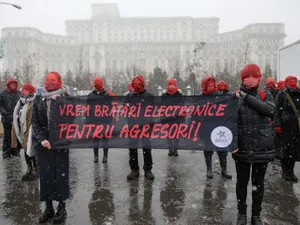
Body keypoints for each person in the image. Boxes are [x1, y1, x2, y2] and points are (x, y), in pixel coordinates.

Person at [233, 64, 276, 225]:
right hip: (242, 147)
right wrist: (233, 144)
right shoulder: (234, 97)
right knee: (242, 184)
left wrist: (247, 97)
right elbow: (230, 122)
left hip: (261, 147)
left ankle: (256, 215)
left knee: (258, 184)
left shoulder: (266, 95)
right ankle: (241, 214)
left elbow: (270, 111)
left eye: (253, 76)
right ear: (242, 79)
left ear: (259, 78)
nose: (249, 80)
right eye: (246, 77)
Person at [32, 72, 70, 224]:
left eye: (53, 82)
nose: (50, 84)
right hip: (43, 145)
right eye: (48, 81)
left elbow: (71, 120)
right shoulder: (38, 99)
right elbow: (34, 122)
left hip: (60, 144)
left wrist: (59, 103)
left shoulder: (65, 99)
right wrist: (42, 139)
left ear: (59, 82)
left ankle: (61, 206)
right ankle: (48, 208)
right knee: (46, 176)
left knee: (60, 175)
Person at [201, 76, 232, 180]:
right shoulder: (200, 98)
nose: (211, 86)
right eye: (209, 84)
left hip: (220, 127)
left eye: (212, 84)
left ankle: (224, 170)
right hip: (206, 127)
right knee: (208, 149)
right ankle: (209, 169)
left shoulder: (220, 96)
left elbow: (228, 104)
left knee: (222, 149)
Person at [126, 75, 154, 180]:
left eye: (139, 83)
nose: (137, 85)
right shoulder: (129, 96)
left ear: (142, 84)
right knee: (132, 149)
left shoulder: (149, 96)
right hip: (133, 126)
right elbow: (125, 110)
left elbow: (154, 110)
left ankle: (148, 169)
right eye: (135, 83)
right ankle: (134, 170)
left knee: (147, 148)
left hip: (146, 126)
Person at [274, 75, 300, 183]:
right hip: (285, 127)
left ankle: (291, 171)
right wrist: (277, 125)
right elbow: (276, 111)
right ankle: (285, 172)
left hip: (296, 127)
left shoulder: (299, 93)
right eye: (291, 81)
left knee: (294, 150)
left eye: (295, 81)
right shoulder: (282, 94)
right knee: (285, 149)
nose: (294, 83)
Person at [11, 84, 38, 181]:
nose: (22, 91)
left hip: (30, 131)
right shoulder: (21, 102)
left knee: (31, 151)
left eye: (25, 90)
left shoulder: (34, 101)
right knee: (25, 151)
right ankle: (29, 168)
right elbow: (17, 114)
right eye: (22, 89)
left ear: (30, 91)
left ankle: (35, 170)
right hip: (21, 130)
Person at [88, 77, 110, 163]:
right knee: (95, 139)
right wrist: (88, 120)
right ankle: (96, 156)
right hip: (94, 121)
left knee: (105, 139)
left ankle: (105, 156)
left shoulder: (106, 95)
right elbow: (88, 108)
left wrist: (109, 120)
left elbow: (110, 108)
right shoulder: (90, 95)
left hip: (104, 121)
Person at [162, 78, 183, 157]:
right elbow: (162, 107)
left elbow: (182, 107)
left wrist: (182, 119)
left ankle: (175, 149)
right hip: (167, 118)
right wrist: (162, 118)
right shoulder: (164, 95)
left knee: (176, 134)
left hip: (177, 118)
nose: (171, 87)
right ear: (168, 85)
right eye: (170, 85)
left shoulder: (179, 95)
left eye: (173, 85)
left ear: (175, 86)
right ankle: (170, 149)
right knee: (169, 134)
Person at [0, 78, 20, 158]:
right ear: (8, 85)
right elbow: (1, 107)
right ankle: (6, 151)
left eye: (14, 84)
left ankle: (15, 150)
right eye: (11, 84)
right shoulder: (3, 94)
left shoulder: (19, 93)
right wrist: (8, 116)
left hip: (17, 119)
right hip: (6, 119)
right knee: (7, 135)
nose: (13, 86)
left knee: (16, 135)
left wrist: (17, 116)